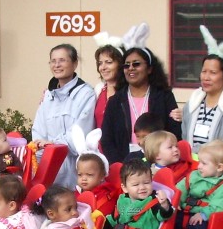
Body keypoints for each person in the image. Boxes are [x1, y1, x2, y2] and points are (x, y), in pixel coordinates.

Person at [101, 23, 181, 164]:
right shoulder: (115, 101)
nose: (131, 68)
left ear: (149, 68)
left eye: (136, 64)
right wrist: (120, 166)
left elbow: (174, 133)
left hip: (160, 165)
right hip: (125, 167)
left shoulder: (164, 97)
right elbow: (107, 139)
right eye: (126, 65)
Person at [32, 44, 96, 188]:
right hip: (50, 172)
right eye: (53, 61)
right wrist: (42, 148)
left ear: (74, 63)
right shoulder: (48, 96)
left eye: (62, 60)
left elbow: (79, 134)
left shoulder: (85, 94)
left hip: (76, 173)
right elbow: (38, 133)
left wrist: (51, 144)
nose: (57, 65)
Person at [181, 25, 223, 154]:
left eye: (213, 72)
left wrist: (196, 152)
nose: (206, 77)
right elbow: (184, 138)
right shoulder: (193, 102)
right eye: (203, 71)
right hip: (193, 167)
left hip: (221, 170)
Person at [92, 32, 125, 128]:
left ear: (120, 64)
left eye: (109, 62)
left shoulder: (128, 91)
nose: (103, 67)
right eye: (100, 63)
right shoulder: (98, 90)